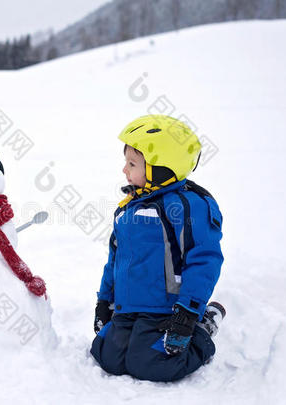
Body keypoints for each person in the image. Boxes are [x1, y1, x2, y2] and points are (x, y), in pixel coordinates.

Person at [90, 114, 226, 382]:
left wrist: (187, 313)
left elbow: (204, 260)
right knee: (107, 356)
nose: (124, 170)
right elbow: (115, 260)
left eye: (132, 164)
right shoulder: (127, 208)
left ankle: (204, 326)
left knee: (154, 364)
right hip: (129, 308)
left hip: (168, 310)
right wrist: (105, 300)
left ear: (160, 168)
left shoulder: (185, 205)